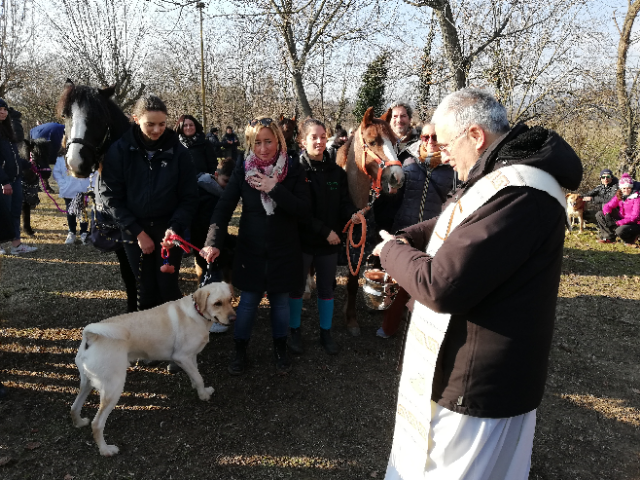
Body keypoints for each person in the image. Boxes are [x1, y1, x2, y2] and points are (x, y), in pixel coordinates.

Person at [373, 88, 582, 480]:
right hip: (483, 368)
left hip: (480, 383)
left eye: (446, 142)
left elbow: (441, 285)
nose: (441, 153)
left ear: (475, 136)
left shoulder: (522, 192)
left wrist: (389, 252)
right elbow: (456, 219)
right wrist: (407, 238)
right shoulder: (502, 173)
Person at [200, 116, 310, 375]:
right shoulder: (242, 169)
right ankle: (240, 351)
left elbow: (303, 210)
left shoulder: (293, 169)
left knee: (280, 303)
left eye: (268, 141)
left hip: (284, 250)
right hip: (251, 250)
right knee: (248, 302)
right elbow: (223, 208)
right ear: (250, 142)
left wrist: (275, 189)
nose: (263, 148)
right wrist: (212, 242)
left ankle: (280, 348)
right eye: (257, 142)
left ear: (278, 140)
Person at [100, 94, 198, 313]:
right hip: (134, 228)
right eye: (150, 124)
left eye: (162, 124)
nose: (157, 130)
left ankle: (175, 338)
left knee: (168, 287)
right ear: (136, 119)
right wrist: (137, 232)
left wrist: (174, 228)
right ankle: (148, 338)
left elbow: (189, 196)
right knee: (144, 288)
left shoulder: (179, 152)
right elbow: (110, 197)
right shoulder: (119, 150)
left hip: (168, 228)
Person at [376, 122, 455, 339]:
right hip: (405, 227)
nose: (430, 142)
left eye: (435, 137)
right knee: (398, 281)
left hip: (434, 232)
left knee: (427, 282)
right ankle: (389, 326)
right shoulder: (407, 160)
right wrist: (389, 191)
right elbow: (393, 193)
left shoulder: (452, 167)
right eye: (425, 137)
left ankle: (420, 331)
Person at [288, 118, 357, 355]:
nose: (319, 141)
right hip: (303, 242)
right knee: (297, 288)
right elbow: (300, 212)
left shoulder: (336, 172)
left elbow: (344, 204)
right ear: (302, 140)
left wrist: (354, 215)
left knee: (327, 288)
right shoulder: (295, 171)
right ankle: (294, 330)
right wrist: (325, 231)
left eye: (322, 136)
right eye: (313, 137)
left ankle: (325, 332)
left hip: (330, 243)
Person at [175, 114, 218, 283]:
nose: (188, 128)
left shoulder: (205, 143)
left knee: (203, 235)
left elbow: (212, 165)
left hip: (204, 191)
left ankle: (208, 273)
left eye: (191, 125)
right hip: (183, 192)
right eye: (184, 125)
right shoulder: (175, 145)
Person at [373, 101, 420, 232]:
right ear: (389, 120)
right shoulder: (379, 145)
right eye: (395, 116)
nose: (399, 120)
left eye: (403, 116)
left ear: (410, 119)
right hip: (382, 213)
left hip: (411, 214)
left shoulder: (421, 144)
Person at [0, 98, 37, 256]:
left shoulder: (7, 132)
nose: (2, 112)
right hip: (4, 182)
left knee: (15, 212)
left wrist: (30, 165)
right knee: (2, 214)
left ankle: (16, 245)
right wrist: (4, 182)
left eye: (5, 109)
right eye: (0, 109)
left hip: (15, 180)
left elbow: (13, 158)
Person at [53, 146, 91, 245]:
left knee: (82, 211)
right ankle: (72, 232)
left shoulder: (85, 157)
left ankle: (84, 232)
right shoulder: (61, 159)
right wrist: (62, 184)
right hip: (68, 190)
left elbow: (92, 172)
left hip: (82, 189)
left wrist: (90, 185)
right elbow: (56, 172)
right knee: (70, 212)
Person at [597, 173, 640, 246]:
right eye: (624, 188)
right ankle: (609, 237)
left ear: (631, 188)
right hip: (622, 218)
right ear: (621, 188)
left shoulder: (637, 198)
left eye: (628, 188)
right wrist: (607, 214)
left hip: (635, 223)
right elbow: (608, 205)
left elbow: (635, 217)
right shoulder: (620, 195)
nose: (626, 190)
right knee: (600, 214)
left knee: (620, 230)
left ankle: (630, 240)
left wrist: (616, 223)